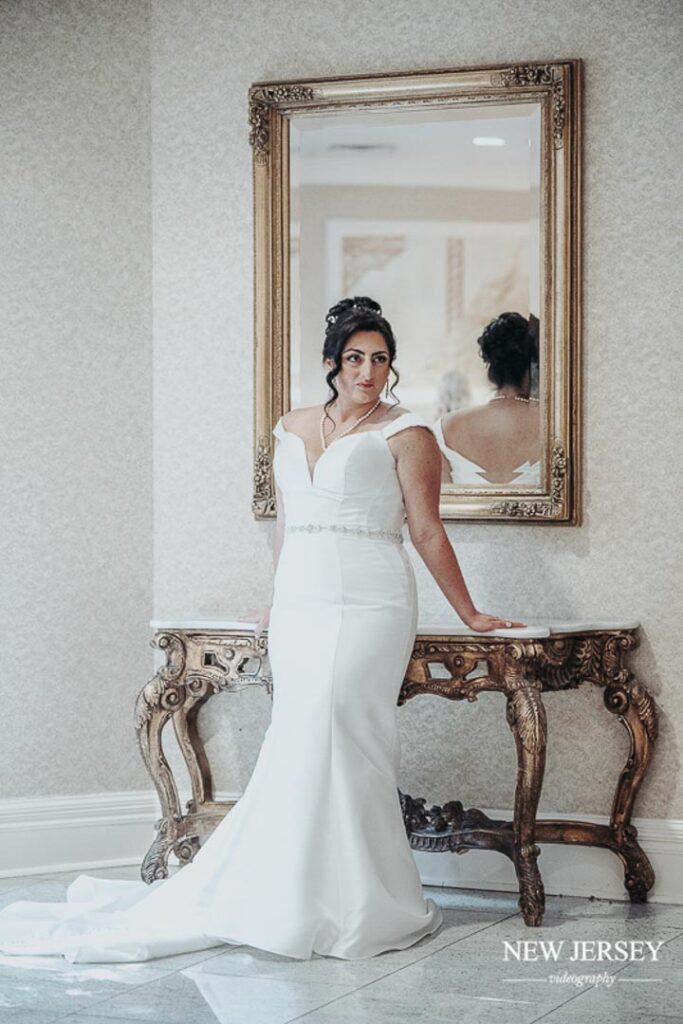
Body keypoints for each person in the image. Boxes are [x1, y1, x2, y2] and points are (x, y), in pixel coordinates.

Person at [0, 296, 524, 965]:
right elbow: (287, 523)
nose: (368, 371)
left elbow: (425, 529)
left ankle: (362, 899)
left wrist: (471, 612)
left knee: (348, 732)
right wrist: (278, 601)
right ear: (332, 362)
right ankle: (289, 889)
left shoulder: (407, 432)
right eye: (355, 358)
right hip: (301, 604)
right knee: (299, 735)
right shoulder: (291, 427)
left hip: (371, 601)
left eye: (380, 359)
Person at [434, 312, 541, 486]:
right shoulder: (555, 425)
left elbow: (441, 500)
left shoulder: (446, 428)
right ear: (532, 367)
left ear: (491, 368)